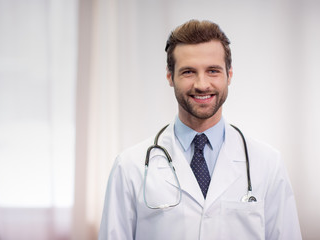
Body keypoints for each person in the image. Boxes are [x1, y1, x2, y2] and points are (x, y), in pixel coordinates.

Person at [99, 19, 302, 240]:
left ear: (229, 75)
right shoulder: (129, 166)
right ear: (170, 76)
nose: (202, 84)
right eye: (188, 72)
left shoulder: (267, 163)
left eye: (213, 71)